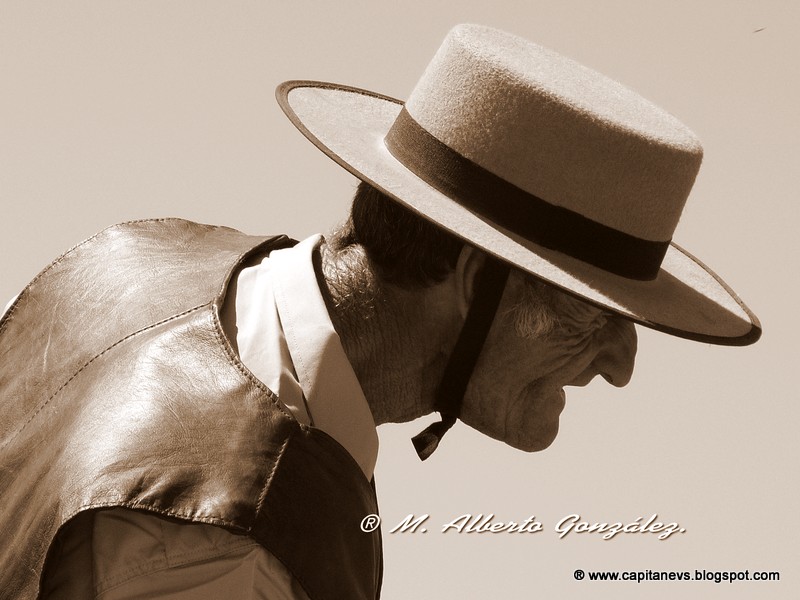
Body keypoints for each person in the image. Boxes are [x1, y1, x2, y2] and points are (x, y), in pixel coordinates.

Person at [0, 24, 760, 600]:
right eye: (588, 314)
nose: (620, 367)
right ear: (471, 277)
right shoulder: (237, 541)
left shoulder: (134, 258)